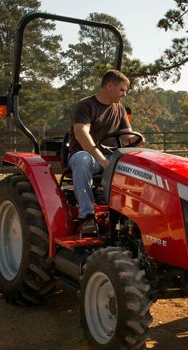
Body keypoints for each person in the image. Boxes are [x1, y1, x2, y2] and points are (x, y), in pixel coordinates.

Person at [68, 69, 140, 236]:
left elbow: (127, 134)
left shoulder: (119, 109)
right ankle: (86, 215)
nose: (124, 94)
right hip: (85, 156)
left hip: (110, 156)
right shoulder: (85, 106)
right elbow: (81, 133)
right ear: (109, 85)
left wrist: (135, 139)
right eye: (122, 90)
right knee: (82, 160)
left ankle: (131, 217)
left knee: (138, 164)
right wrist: (102, 161)